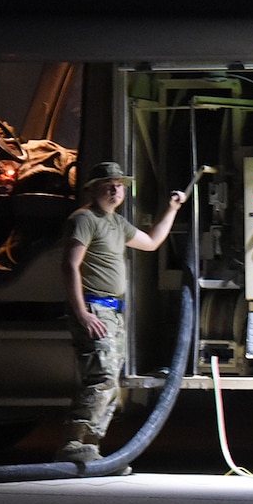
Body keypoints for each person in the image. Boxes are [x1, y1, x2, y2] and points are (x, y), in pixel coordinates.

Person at [58, 161, 188, 464]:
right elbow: (69, 266)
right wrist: (82, 313)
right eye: (108, 184)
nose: (116, 189)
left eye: (119, 184)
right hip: (95, 308)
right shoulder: (84, 220)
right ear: (93, 189)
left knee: (110, 381)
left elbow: (152, 242)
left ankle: (90, 448)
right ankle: (74, 443)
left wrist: (172, 209)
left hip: (112, 313)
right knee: (100, 376)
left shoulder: (117, 223)